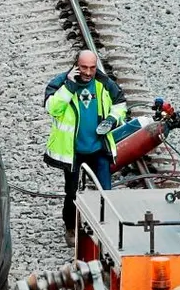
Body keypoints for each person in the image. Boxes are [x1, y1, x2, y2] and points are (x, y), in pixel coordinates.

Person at [44, 50, 126, 243]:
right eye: (84, 67)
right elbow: (52, 108)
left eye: (92, 67)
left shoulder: (103, 83)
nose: (88, 72)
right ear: (76, 66)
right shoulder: (61, 82)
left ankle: (105, 227)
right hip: (72, 151)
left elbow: (120, 103)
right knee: (72, 191)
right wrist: (69, 87)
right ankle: (71, 227)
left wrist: (113, 119)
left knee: (105, 189)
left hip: (98, 148)